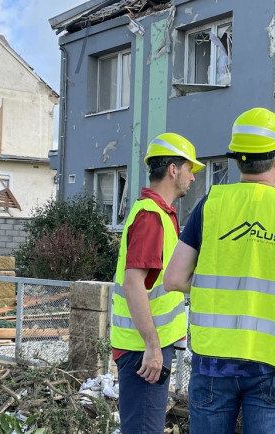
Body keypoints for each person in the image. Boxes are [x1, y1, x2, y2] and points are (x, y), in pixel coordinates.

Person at [163, 107, 275, 434]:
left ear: (237, 160)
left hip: (213, 361)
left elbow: (174, 279)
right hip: (274, 363)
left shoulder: (210, 204)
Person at [110, 132, 203, 433]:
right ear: (174, 169)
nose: (192, 178)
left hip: (147, 347)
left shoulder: (160, 214)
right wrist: (152, 346)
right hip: (145, 351)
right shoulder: (152, 216)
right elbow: (133, 283)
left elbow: (164, 281)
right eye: (190, 169)